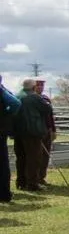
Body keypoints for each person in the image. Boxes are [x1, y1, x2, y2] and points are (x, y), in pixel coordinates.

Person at [12, 79, 51, 192]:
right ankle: (32, 184)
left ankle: (21, 182)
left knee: (21, 157)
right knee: (34, 158)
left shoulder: (17, 95)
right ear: (33, 87)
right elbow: (47, 109)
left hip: (18, 132)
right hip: (32, 131)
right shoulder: (34, 97)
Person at [0, 75, 22, 203]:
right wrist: (7, 114)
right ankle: (3, 194)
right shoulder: (2, 91)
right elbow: (15, 103)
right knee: (2, 163)